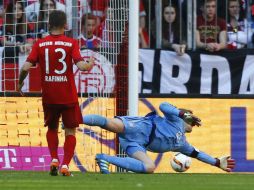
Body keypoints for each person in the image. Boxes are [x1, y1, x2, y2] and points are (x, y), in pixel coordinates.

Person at [18, 10, 94, 176]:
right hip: (68, 96)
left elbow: (25, 67)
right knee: (70, 131)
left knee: (52, 128)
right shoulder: (71, 43)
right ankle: (65, 165)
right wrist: (89, 64)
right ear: (65, 25)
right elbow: (82, 67)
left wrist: (20, 82)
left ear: (49, 24)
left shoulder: (39, 44)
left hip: (49, 96)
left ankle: (53, 159)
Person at [82, 102, 235, 174]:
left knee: (149, 167)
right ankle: (75, 119)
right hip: (140, 127)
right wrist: (182, 114)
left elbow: (198, 154)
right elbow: (163, 106)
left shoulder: (182, 144)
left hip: (137, 144)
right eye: (192, 122)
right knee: (109, 124)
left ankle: (104, 158)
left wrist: (215, 162)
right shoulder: (175, 119)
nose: (193, 124)